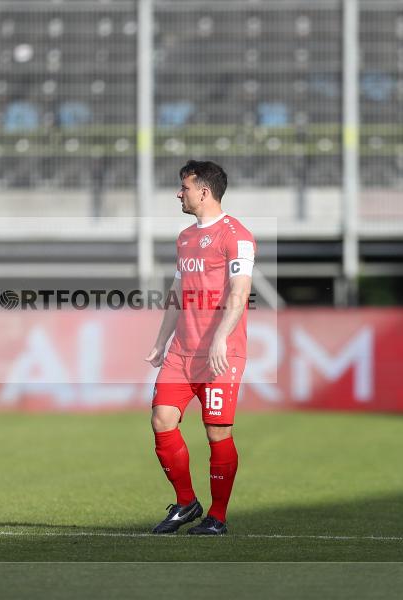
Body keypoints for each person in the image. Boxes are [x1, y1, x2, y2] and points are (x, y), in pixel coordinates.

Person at [144, 160, 255, 535]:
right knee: (162, 420)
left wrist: (222, 336)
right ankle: (186, 502)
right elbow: (177, 292)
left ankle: (217, 517)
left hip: (221, 353)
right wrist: (161, 341)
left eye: (184, 187)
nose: (180, 194)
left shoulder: (237, 236)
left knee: (217, 433)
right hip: (182, 352)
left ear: (204, 191)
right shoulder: (185, 238)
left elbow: (240, 292)